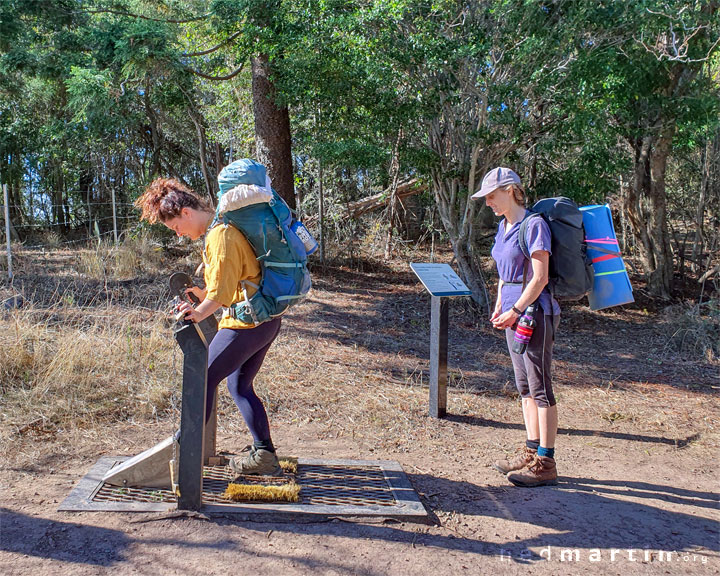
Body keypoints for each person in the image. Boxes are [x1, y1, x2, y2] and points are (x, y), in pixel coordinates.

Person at [135, 178, 283, 477]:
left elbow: (222, 294)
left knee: (199, 381)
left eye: (175, 226)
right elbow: (229, 284)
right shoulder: (222, 231)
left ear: (186, 213)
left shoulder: (220, 235)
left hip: (247, 322)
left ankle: (182, 455)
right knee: (238, 386)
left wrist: (200, 311)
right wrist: (200, 299)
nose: (178, 234)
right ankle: (264, 454)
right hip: (263, 320)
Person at [472, 167, 561, 487]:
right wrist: (500, 303)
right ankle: (530, 449)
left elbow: (540, 277)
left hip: (535, 313)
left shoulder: (534, 225)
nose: (488, 203)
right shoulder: (503, 225)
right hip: (513, 312)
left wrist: (515, 309)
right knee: (524, 386)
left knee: (540, 388)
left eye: (492, 196)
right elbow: (504, 271)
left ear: (510, 190)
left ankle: (546, 462)